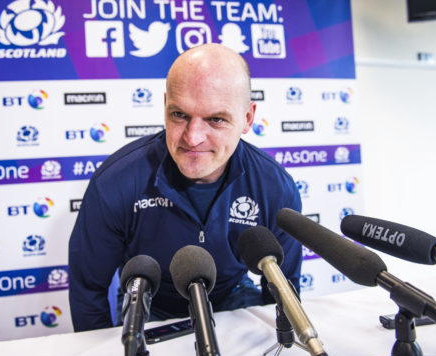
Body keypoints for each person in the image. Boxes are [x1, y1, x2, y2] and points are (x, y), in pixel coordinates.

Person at [68, 43, 302, 332]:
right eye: (179, 115)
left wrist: (283, 343)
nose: (192, 138)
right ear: (166, 105)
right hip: (150, 302)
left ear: (248, 118)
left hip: (231, 296)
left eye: (216, 119)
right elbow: (89, 291)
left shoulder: (275, 187)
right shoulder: (114, 183)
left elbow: (283, 290)